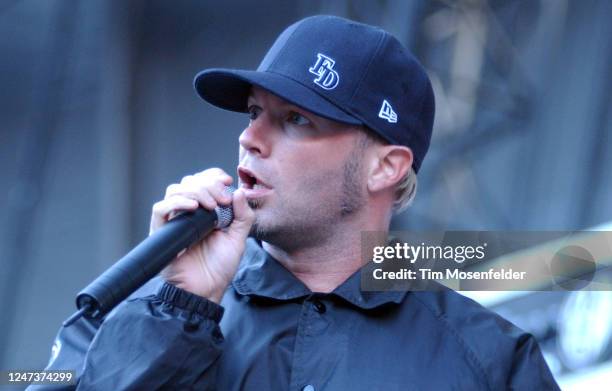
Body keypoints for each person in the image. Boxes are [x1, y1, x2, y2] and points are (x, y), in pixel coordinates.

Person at [33, 15, 560, 390]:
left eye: (295, 120)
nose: (251, 138)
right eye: (252, 112)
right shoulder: (129, 315)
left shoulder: (491, 360)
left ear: (386, 167)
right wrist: (175, 313)